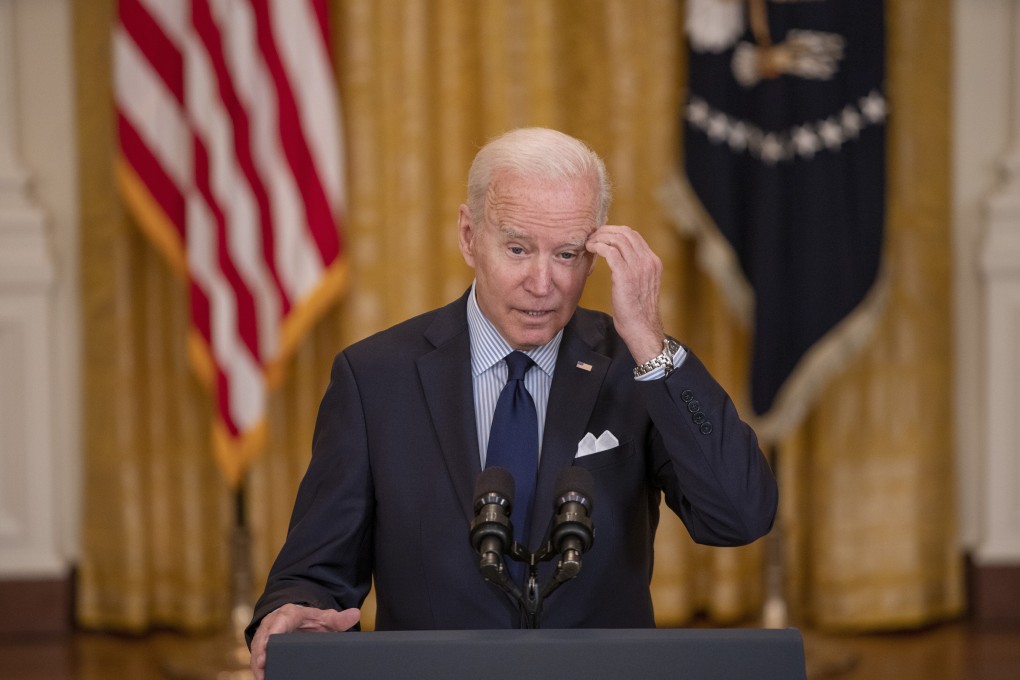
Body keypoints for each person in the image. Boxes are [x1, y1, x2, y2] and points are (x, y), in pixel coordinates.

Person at [246, 127, 778, 679]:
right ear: (469, 234)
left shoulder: (635, 367)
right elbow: (315, 570)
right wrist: (295, 616)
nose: (542, 283)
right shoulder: (375, 378)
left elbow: (739, 514)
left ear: (593, 259)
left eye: (567, 254)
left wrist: (650, 341)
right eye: (519, 249)